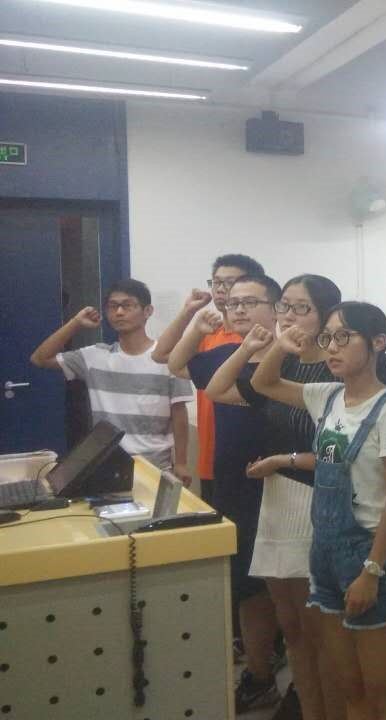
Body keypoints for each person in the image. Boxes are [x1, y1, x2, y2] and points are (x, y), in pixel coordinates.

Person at [250, 302, 386, 720]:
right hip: (324, 551)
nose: (332, 347)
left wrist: (371, 571)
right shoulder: (328, 396)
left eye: (343, 337)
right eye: (327, 338)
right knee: (349, 683)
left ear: (378, 342)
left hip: (369, 554)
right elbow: (262, 382)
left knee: (384, 689)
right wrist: (282, 345)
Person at [205, 274, 345, 720]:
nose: (288, 316)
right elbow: (216, 390)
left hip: (313, 498)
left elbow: (341, 454)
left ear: (325, 316)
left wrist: (285, 460)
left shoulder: (337, 371)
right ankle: (305, 703)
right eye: (284, 306)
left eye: (301, 308)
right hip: (276, 498)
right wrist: (253, 347)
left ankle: (325, 707)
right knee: (291, 625)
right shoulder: (281, 369)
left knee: (317, 627)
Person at [165, 274, 283, 713]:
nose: (239, 310)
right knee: (249, 585)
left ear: (276, 307)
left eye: (250, 302)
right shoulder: (227, 354)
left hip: (281, 483)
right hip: (234, 481)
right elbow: (177, 364)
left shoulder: (291, 359)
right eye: (233, 303)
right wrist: (196, 325)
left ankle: (284, 667)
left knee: (285, 586)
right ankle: (260, 673)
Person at [30, 278, 193, 476]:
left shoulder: (169, 358)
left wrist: (181, 463)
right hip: (106, 464)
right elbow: (40, 358)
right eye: (112, 306)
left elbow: (179, 413)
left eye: (127, 305)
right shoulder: (95, 357)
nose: (119, 312)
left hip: (155, 466)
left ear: (148, 311)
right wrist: (75, 323)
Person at [153, 253, 264, 499]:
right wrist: (189, 311)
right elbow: (163, 356)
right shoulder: (211, 332)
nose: (221, 289)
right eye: (216, 282)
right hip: (213, 451)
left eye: (230, 282)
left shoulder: (257, 340)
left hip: (252, 455)